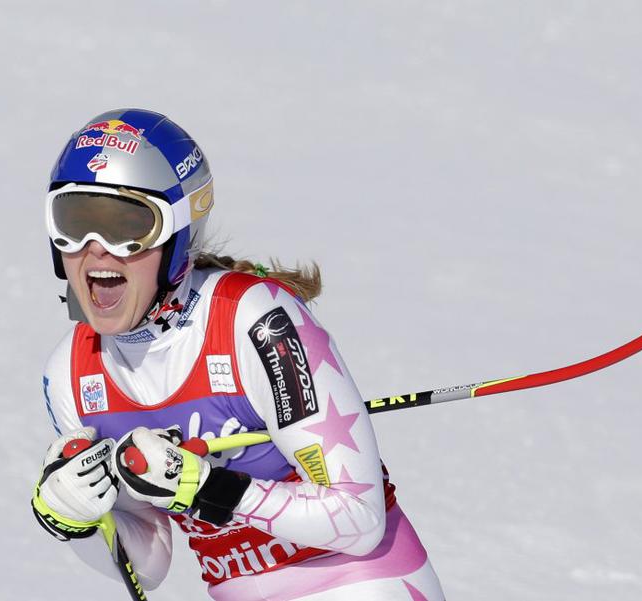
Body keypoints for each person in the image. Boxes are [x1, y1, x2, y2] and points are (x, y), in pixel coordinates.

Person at [32, 109, 445, 601]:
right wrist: (76, 517)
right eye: (74, 221)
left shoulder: (255, 321)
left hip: (363, 583)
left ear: (179, 233)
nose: (96, 249)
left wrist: (207, 488)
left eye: (127, 225)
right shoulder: (71, 374)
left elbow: (358, 517)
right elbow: (149, 562)